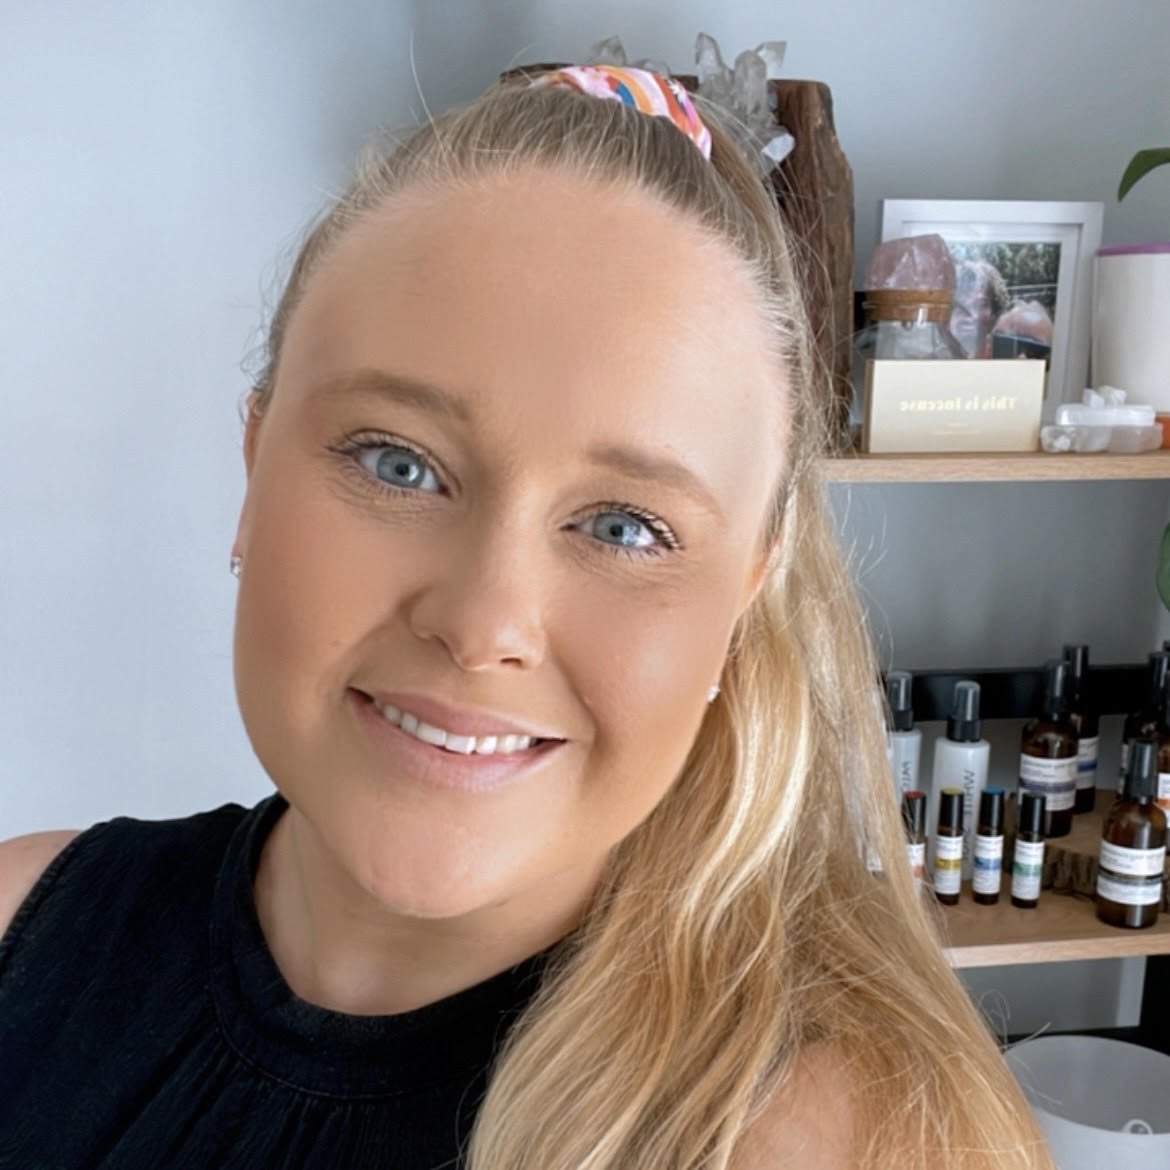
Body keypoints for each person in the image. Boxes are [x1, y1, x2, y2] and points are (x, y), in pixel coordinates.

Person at [0, 64, 1053, 1168]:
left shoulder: (828, 1137)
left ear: (744, 598)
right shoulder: (24, 925)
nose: (484, 624)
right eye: (399, 464)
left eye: (626, 527)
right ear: (255, 470)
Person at [951, 258, 1012, 358]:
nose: (969, 314)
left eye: (979, 305)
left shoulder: (1010, 359)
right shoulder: (930, 360)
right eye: (959, 306)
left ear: (994, 314)